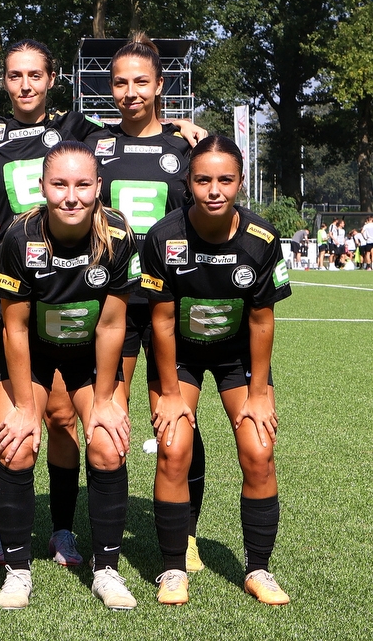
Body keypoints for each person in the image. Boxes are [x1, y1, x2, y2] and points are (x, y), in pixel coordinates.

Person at [142, 134, 291, 606]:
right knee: (173, 447)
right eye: (203, 179)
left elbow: (262, 319)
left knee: (259, 449)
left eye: (225, 179)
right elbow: (162, 320)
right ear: (188, 181)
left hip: (236, 357)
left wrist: (260, 390)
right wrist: (169, 391)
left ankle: (258, 569)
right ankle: (172, 569)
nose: (214, 190)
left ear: (241, 183)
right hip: (179, 356)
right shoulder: (164, 237)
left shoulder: (262, 239)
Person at [0, 141, 139, 610]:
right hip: (31, 352)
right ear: (42, 188)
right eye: (59, 185)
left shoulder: (117, 236)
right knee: (15, 446)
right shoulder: (19, 239)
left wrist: (102, 400)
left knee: (106, 442)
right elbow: (13, 328)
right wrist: (21, 406)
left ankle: (106, 570)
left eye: (81, 185)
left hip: (88, 356)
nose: (70, 196)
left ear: (98, 187)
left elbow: (113, 324)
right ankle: (18, 571)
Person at [83, 33, 206, 573]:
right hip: (110, 303)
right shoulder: (93, 145)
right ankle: (105, 539)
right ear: (108, 87)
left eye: (140, 81)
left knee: (176, 418)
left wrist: (199, 135)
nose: (130, 91)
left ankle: (188, 535)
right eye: (120, 82)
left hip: (168, 307)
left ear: (160, 85)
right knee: (107, 412)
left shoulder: (187, 149)